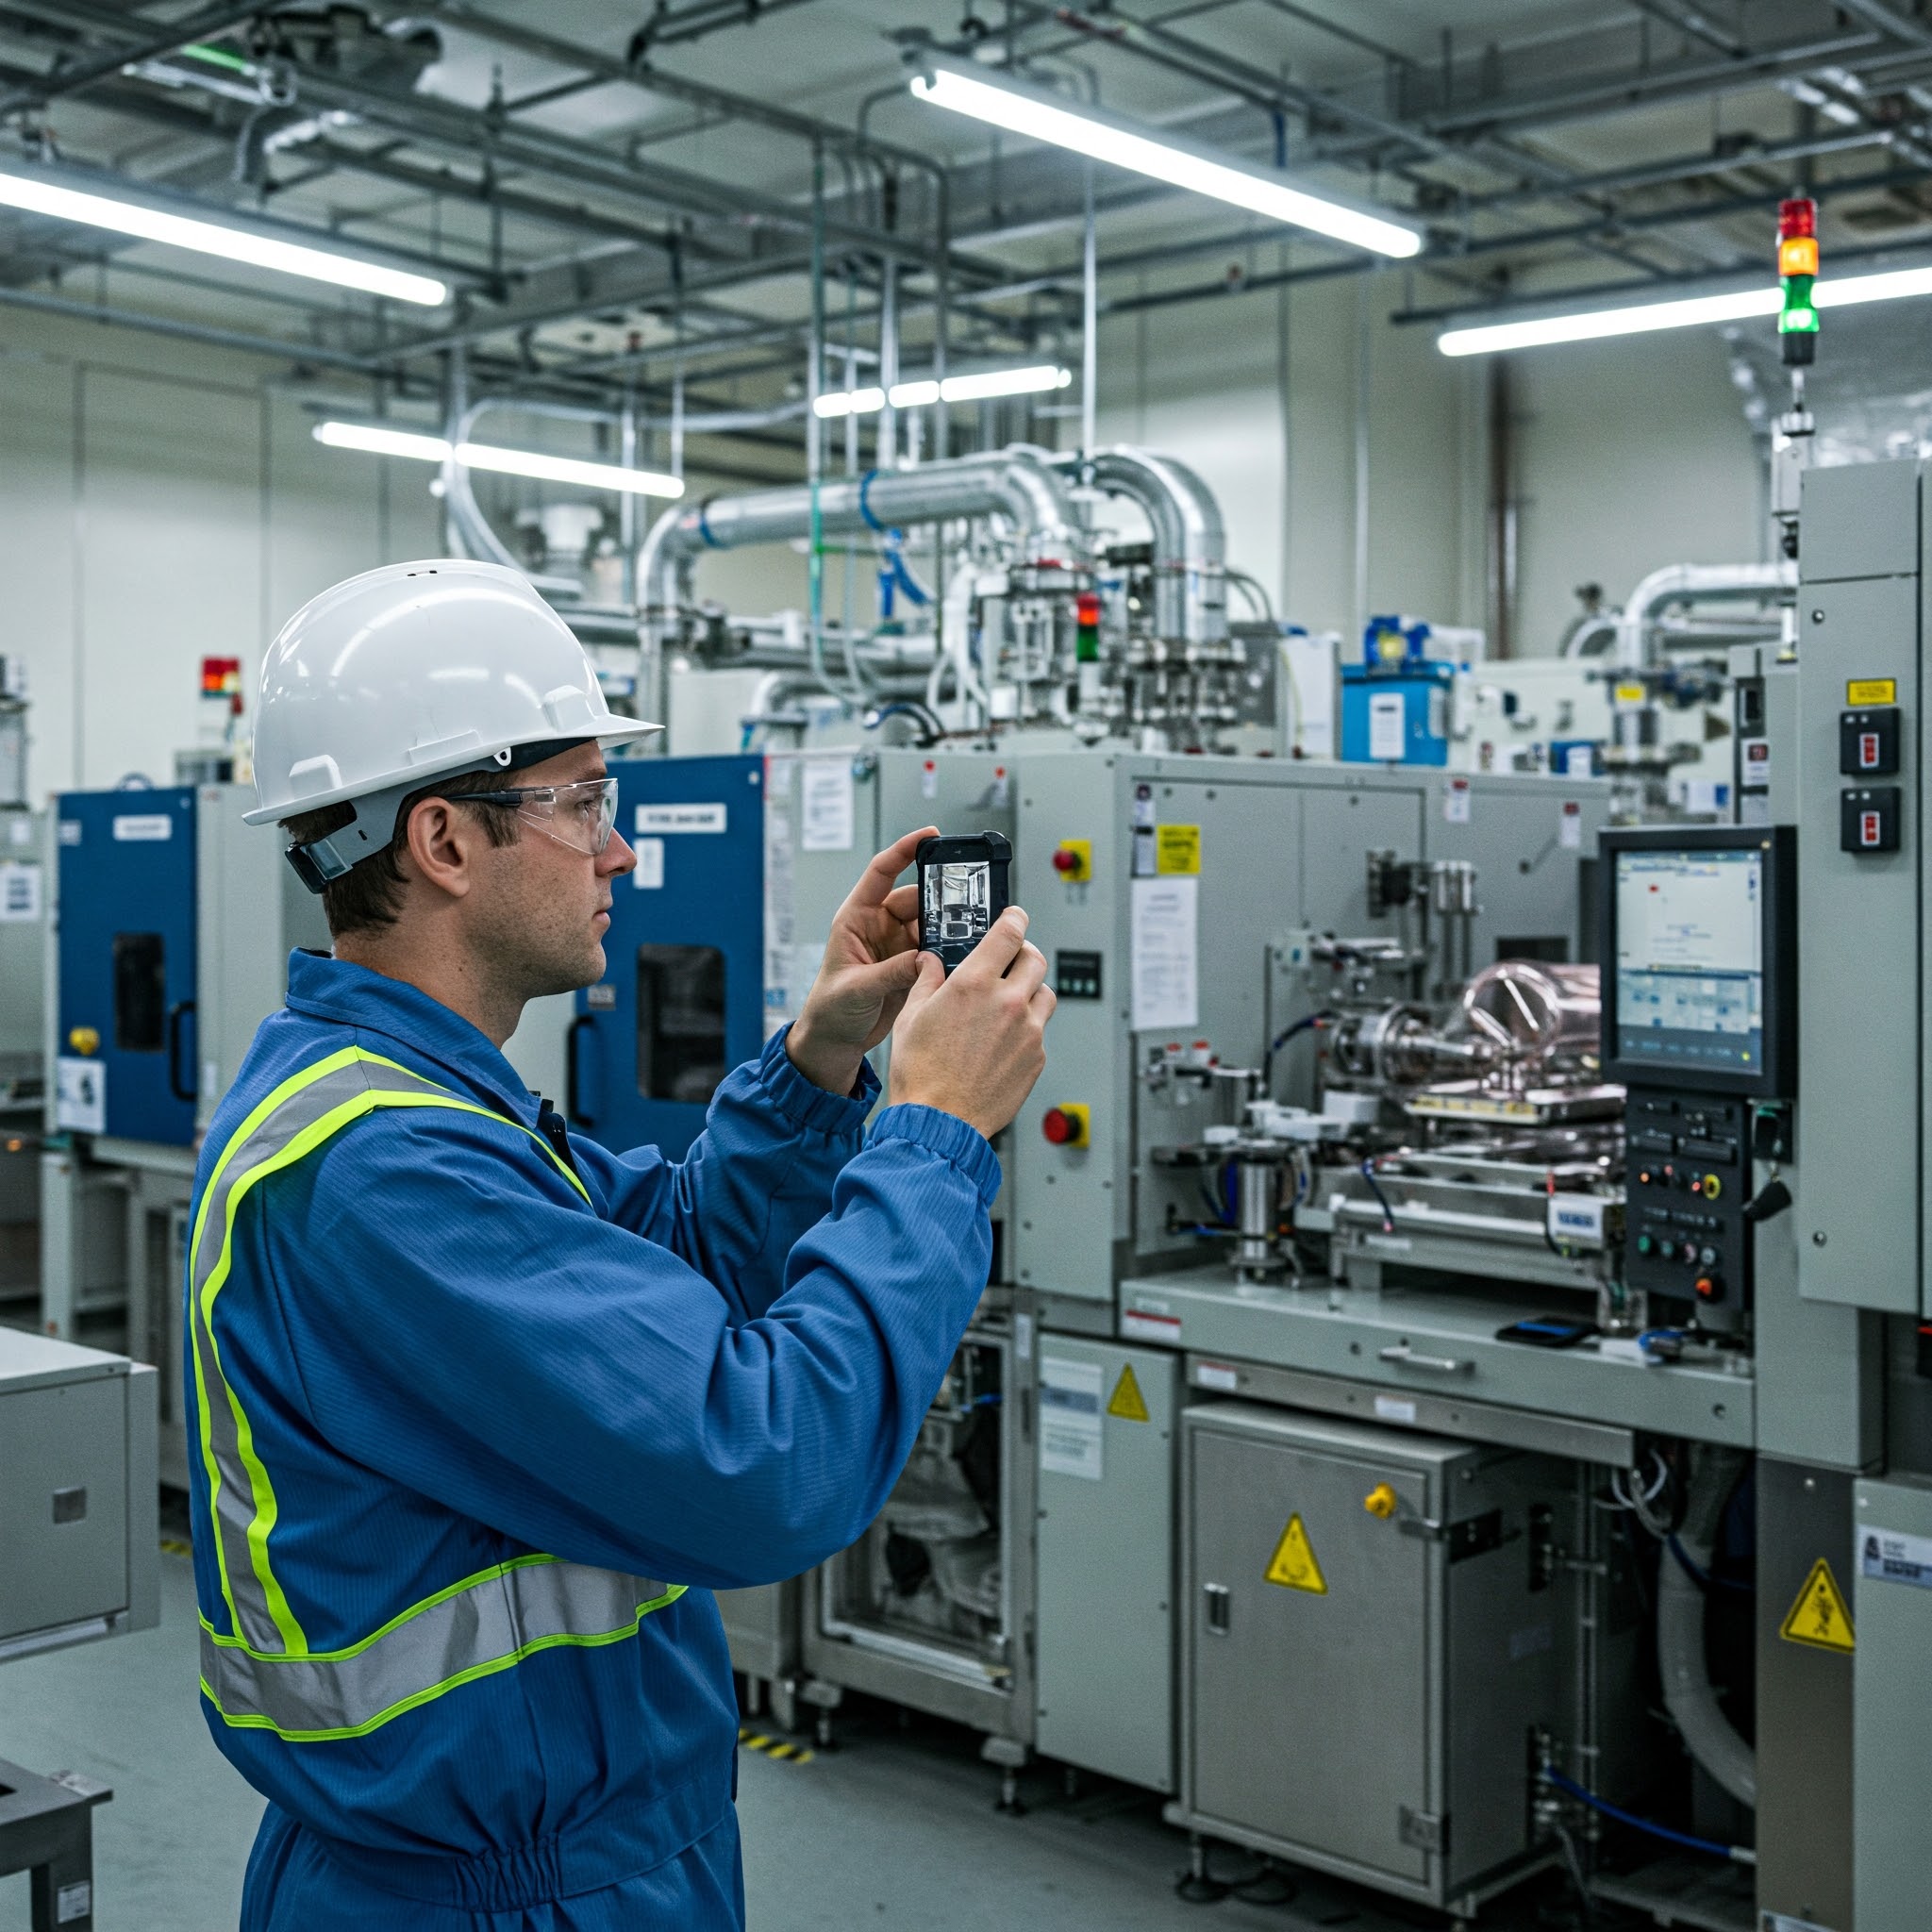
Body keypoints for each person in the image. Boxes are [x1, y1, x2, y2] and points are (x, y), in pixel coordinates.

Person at [183, 558, 1055, 1930]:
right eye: (585, 801)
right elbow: (761, 1465)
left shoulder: (417, 1104)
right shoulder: (381, 1170)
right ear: (444, 843)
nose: (621, 849)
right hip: (494, 1899)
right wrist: (935, 1136)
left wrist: (822, 1060)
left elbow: (670, 1266)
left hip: (580, 1855)